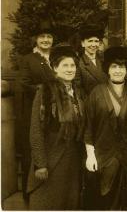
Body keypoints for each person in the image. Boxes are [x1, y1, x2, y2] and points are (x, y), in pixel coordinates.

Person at [83, 46, 127, 210]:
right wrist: (90, 156)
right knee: (105, 198)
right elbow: (88, 127)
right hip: (104, 154)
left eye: (122, 67)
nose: (118, 70)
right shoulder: (96, 93)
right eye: (114, 67)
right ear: (108, 70)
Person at [27, 43, 84, 210]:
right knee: (48, 201)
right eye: (64, 65)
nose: (69, 69)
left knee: (69, 201)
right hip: (52, 157)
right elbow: (35, 129)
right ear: (55, 68)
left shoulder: (78, 92)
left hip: (73, 158)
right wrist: (40, 163)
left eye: (72, 65)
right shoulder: (45, 91)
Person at [18, 19, 57, 201]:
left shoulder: (57, 59)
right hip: (35, 108)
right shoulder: (28, 59)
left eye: (49, 37)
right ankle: (30, 195)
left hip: (56, 112)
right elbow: (24, 83)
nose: (46, 40)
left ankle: (49, 193)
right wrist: (45, 91)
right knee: (32, 149)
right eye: (42, 37)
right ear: (36, 40)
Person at [76, 23, 108, 95]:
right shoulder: (79, 64)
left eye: (96, 41)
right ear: (83, 43)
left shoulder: (104, 60)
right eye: (90, 41)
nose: (93, 45)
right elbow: (78, 91)